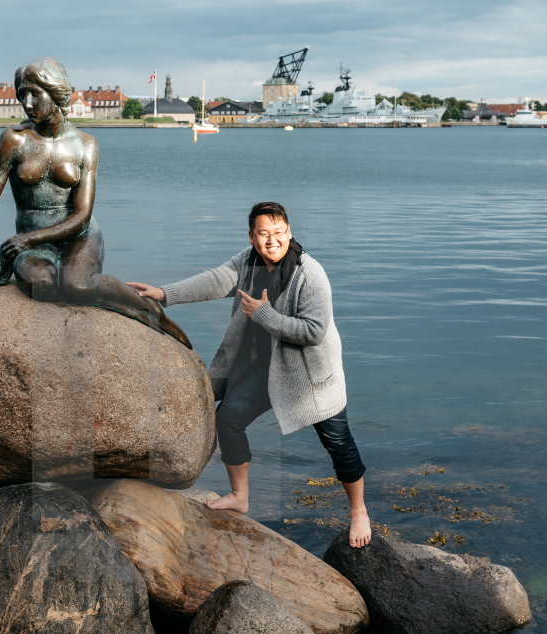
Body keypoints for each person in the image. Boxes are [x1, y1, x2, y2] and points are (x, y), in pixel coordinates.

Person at [127, 202, 371, 548]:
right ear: (252, 237)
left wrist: (265, 315)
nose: (272, 241)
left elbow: (315, 331)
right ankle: (240, 496)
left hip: (311, 378)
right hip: (268, 367)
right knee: (227, 418)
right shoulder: (248, 262)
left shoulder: (309, 273)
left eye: (279, 233)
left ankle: (359, 511)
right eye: (264, 234)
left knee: (338, 444)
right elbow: (215, 280)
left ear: (289, 232)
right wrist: (165, 294)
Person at [0, 57, 189, 348]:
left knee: (77, 285)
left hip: (78, 236)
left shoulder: (85, 144)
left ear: (55, 93)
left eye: (34, 94)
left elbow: (82, 215)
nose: (27, 103)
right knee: (42, 286)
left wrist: (27, 239)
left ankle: (152, 311)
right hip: (33, 242)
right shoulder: (14, 140)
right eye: (22, 95)